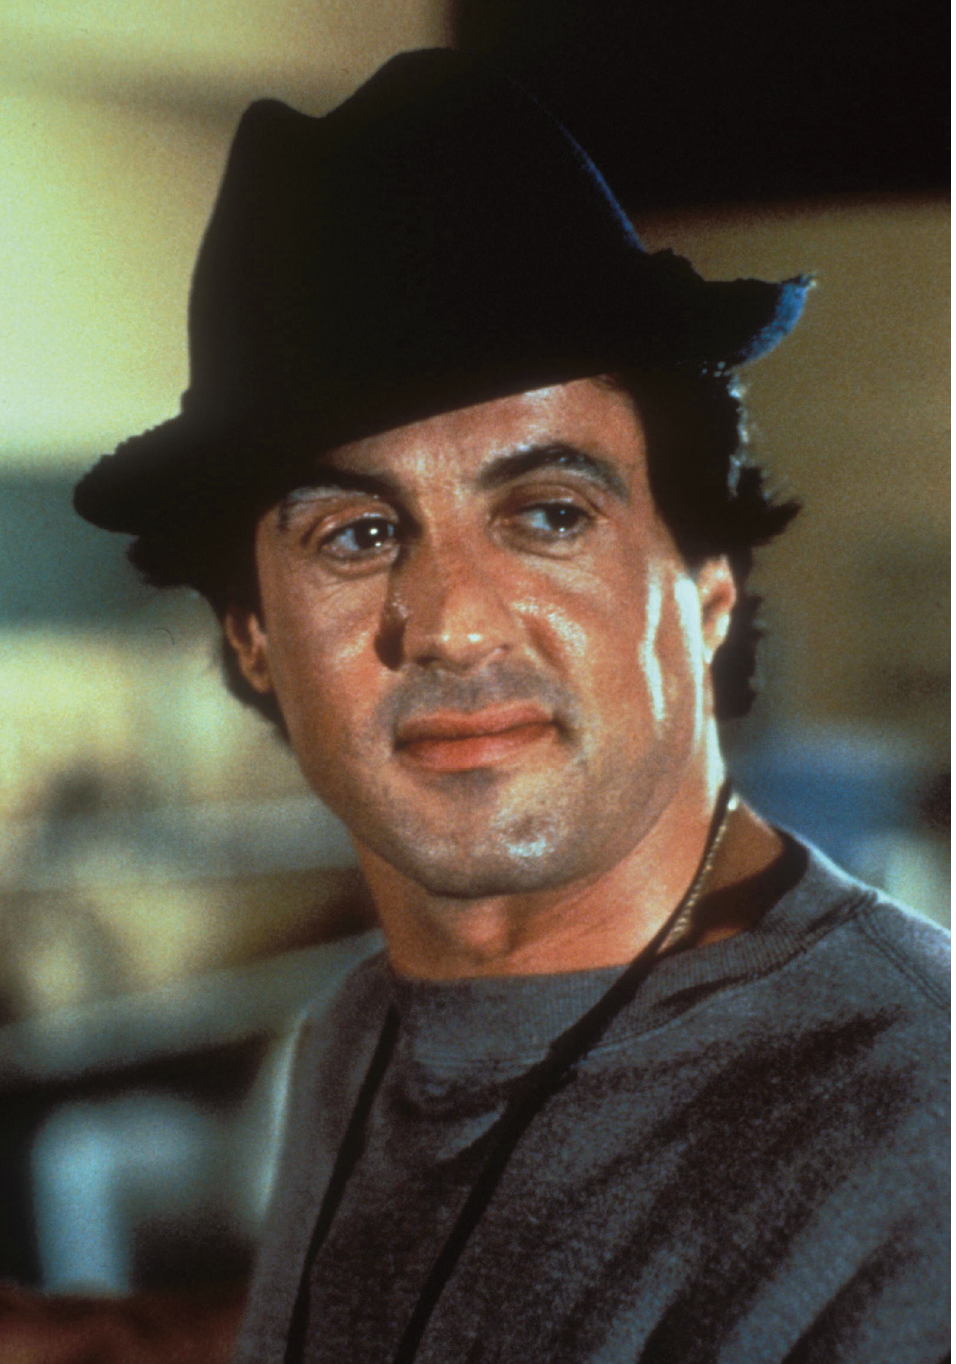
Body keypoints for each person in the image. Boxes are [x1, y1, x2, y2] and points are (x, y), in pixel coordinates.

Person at [73, 48, 948, 1364]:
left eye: (548, 514)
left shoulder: (906, 1132)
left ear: (709, 587)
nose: (453, 622)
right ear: (253, 640)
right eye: (358, 535)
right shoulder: (358, 1034)